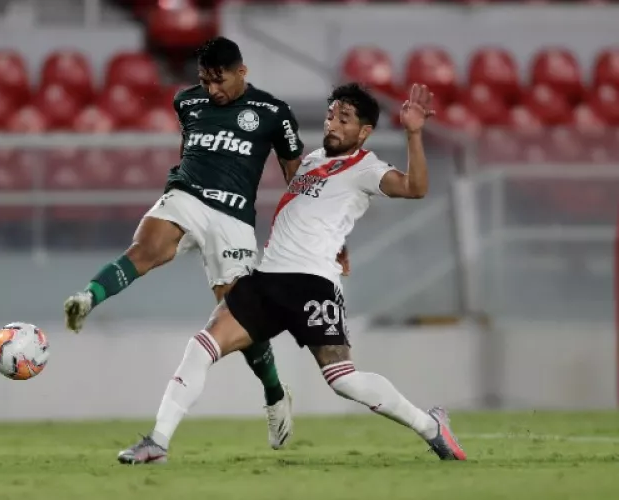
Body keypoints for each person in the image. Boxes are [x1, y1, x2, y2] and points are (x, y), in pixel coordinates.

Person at [115, 82, 467, 464]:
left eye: (343, 119)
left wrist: (414, 133)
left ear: (363, 132)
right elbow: (314, 212)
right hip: (267, 279)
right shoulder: (314, 160)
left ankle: (431, 427)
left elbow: (415, 188)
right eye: (331, 114)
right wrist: (340, 243)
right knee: (201, 347)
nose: (332, 123)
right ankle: (157, 443)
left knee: (343, 379)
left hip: (312, 284)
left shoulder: (367, 168)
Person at [62, 36, 347, 450]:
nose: (212, 90)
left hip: (233, 220)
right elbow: (194, 149)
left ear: (242, 72)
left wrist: (320, 229)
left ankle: (274, 393)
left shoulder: (272, 112)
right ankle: (87, 297)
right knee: (146, 250)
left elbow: (295, 176)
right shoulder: (187, 103)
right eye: (205, 80)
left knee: (239, 317)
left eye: (219, 80)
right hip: (186, 197)